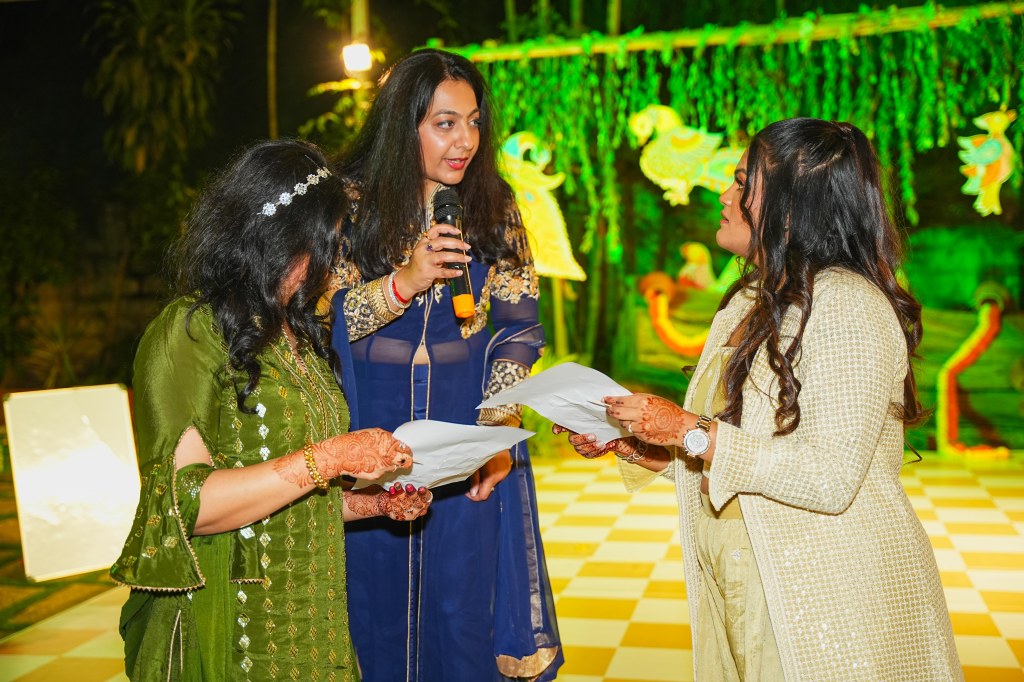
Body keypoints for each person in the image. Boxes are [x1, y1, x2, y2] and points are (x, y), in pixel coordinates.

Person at [555, 118, 962, 680]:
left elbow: (828, 476)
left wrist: (687, 429)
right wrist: (643, 444)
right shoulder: (749, 300)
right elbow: (743, 454)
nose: (725, 195)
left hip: (827, 599)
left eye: (743, 183)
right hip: (749, 584)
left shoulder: (848, 305)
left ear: (794, 207)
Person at [110, 139, 433, 681]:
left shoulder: (296, 333)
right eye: (325, 245)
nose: (333, 263)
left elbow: (292, 498)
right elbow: (187, 506)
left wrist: (372, 503)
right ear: (280, 236)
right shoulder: (189, 332)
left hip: (315, 625)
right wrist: (331, 457)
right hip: (239, 634)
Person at [326, 49, 562, 681]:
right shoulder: (347, 207)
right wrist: (401, 284)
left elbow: (519, 329)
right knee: (369, 604)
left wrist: (496, 429)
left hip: (465, 435)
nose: (466, 142)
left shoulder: (494, 207)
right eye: (445, 123)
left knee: (462, 608)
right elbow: (319, 325)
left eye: (474, 122)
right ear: (403, 125)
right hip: (368, 433)